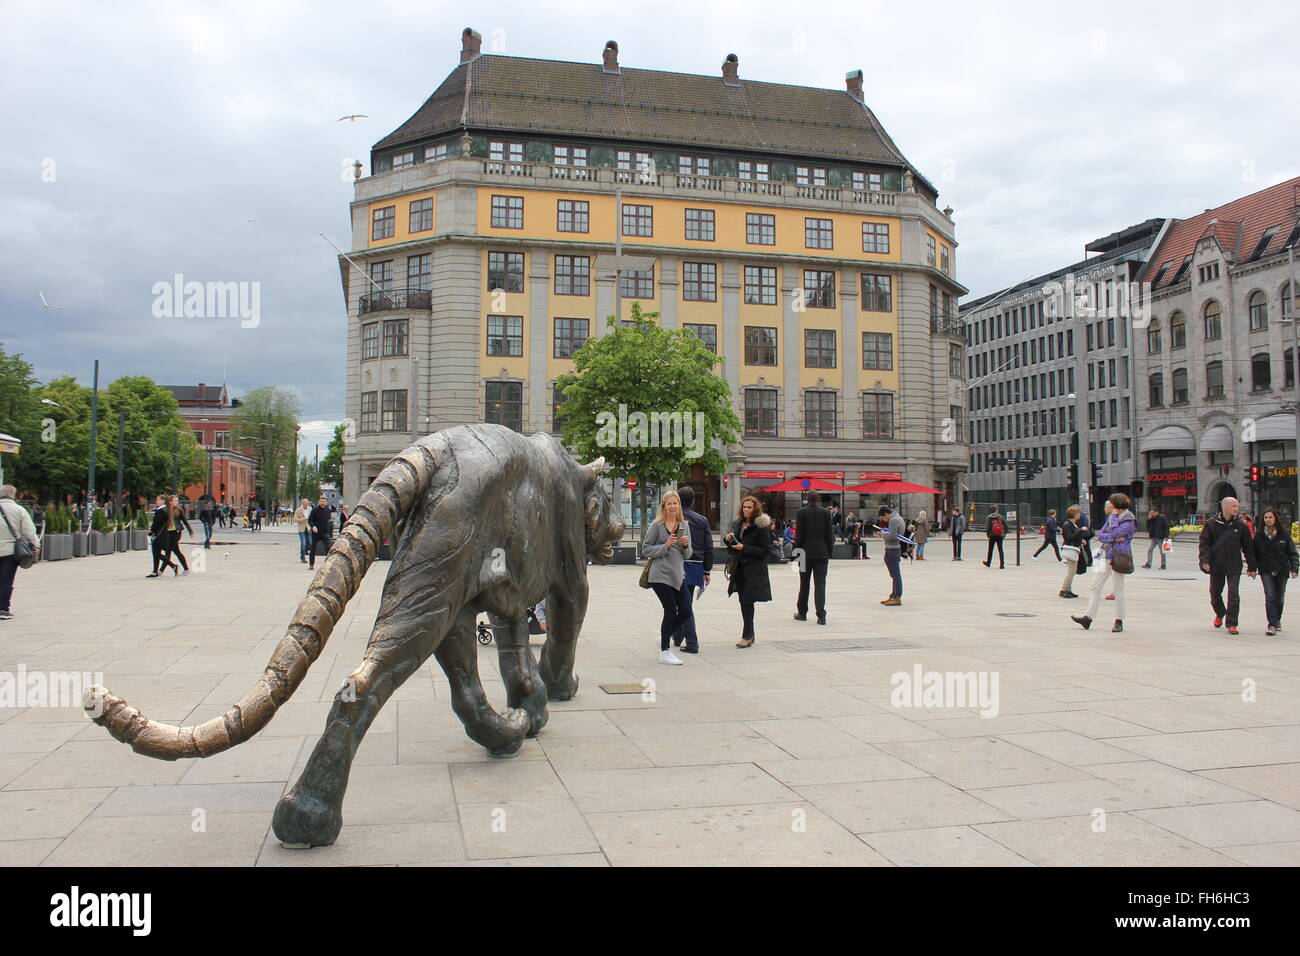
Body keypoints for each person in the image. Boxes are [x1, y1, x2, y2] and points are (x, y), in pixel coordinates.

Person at [1071, 493, 1137, 633]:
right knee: (1095, 586)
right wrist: (1112, 535)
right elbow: (1100, 534)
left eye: (1112, 503)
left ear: (1117, 504)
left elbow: (1114, 533)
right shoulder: (1112, 516)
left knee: (1118, 590)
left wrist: (1112, 529)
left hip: (1119, 556)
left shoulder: (1129, 519)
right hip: (1104, 554)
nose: (1109, 506)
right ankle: (1088, 618)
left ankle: (1119, 620)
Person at [643, 491, 693, 665]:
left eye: (675, 503)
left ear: (679, 505)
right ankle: (665, 651)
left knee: (686, 611)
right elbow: (646, 549)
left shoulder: (683, 525)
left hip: (678, 574)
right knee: (671, 611)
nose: (673, 507)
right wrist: (665, 546)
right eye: (669, 503)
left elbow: (688, 554)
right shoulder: (657, 525)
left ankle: (665, 634)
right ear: (664, 506)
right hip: (660, 575)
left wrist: (685, 545)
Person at [1198, 496, 1256, 635]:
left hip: (1234, 565)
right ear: (1225, 507)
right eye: (1233, 506)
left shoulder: (1241, 525)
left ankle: (1232, 623)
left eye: (1237, 506)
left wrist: (1252, 567)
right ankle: (1220, 613)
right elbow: (1204, 544)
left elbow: (1248, 547)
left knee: (1233, 594)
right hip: (1216, 565)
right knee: (1215, 594)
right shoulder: (1211, 524)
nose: (1237, 509)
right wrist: (1204, 561)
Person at [669, 485, 712, 654]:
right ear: (693, 501)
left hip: (680, 564)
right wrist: (707, 571)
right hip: (697, 565)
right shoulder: (702, 520)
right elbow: (709, 547)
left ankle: (692, 642)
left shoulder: (677, 520)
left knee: (683, 604)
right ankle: (678, 637)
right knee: (685, 601)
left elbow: (676, 544)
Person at [725, 495, 773, 647]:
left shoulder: (760, 526)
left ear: (755, 509)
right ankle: (750, 634)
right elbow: (732, 548)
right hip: (739, 569)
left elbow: (765, 550)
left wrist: (744, 548)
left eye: (749, 507)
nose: (746, 510)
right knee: (743, 601)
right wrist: (729, 539)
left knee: (747, 600)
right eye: (744, 507)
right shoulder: (737, 524)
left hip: (754, 570)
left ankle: (747, 635)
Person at [1254, 507, 1298, 636]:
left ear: (1276, 519)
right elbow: (1253, 554)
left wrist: (1294, 568)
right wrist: (1252, 568)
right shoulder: (1259, 536)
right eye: (1266, 517)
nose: (1268, 520)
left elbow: (1293, 553)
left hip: (1282, 569)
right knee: (1270, 596)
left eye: (1270, 517)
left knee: (1280, 598)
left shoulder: (1284, 535)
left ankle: (1277, 618)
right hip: (1266, 569)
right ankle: (1272, 624)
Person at [793, 491, 834, 625]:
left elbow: (799, 536)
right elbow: (829, 536)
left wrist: (795, 554)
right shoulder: (826, 513)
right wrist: (829, 553)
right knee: (820, 585)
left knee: (804, 584)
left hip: (805, 555)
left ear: (807, 500)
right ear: (818, 500)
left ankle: (802, 613)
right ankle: (821, 616)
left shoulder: (801, 513)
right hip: (822, 554)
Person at [0, 485, 40, 621]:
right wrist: (36, 546)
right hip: (9, 552)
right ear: (13, 495)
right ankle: (3, 609)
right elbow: (29, 530)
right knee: (6, 580)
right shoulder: (19, 510)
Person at [1058, 505, 1090, 598]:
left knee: (1072, 570)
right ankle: (1064, 590)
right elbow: (1068, 538)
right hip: (1070, 549)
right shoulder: (1067, 524)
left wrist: (1081, 540)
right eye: (1078, 513)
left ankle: (1068, 590)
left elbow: (1073, 536)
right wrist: (1080, 530)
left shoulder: (1073, 524)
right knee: (1071, 571)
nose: (1079, 514)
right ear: (1074, 514)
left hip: (1074, 549)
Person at [878, 505, 907, 605]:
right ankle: (893, 595)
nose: (884, 520)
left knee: (895, 574)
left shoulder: (893, 520)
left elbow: (892, 536)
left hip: (892, 548)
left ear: (886, 514)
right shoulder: (899, 518)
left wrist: (882, 535)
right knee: (894, 574)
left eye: (883, 517)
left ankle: (897, 596)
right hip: (894, 548)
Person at [146, 495, 175, 577]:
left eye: (158, 500)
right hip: (163, 533)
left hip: (159, 535)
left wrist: (151, 531)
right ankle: (155, 571)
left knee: (156, 553)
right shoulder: (166, 509)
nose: (156, 501)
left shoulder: (161, 510)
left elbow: (156, 523)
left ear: (163, 501)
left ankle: (173, 566)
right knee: (156, 553)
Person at [166, 495, 193, 576]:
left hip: (177, 533)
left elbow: (185, 521)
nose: (176, 502)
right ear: (170, 502)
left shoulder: (179, 510)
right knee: (177, 552)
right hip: (169, 533)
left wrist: (190, 531)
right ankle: (186, 569)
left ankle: (160, 570)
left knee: (168, 551)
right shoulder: (167, 510)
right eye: (174, 500)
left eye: (177, 501)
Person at [308, 495, 333, 570]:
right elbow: (310, 520)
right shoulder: (314, 510)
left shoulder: (327, 510)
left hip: (325, 532)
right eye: (321, 501)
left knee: (328, 547)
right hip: (316, 533)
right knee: (313, 548)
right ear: (319, 502)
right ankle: (311, 564)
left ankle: (328, 563)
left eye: (324, 501)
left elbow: (328, 519)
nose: (322, 503)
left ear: (326, 503)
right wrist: (313, 527)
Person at [294, 498, 312, 564]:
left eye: (307, 503)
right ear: (302, 503)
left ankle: (306, 552)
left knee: (310, 543)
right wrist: (303, 519)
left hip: (309, 528)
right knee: (303, 544)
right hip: (302, 529)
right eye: (305, 503)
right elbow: (295, 519)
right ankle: (302, 557)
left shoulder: (310, 509)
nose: (306, 504)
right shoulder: (298, 510)